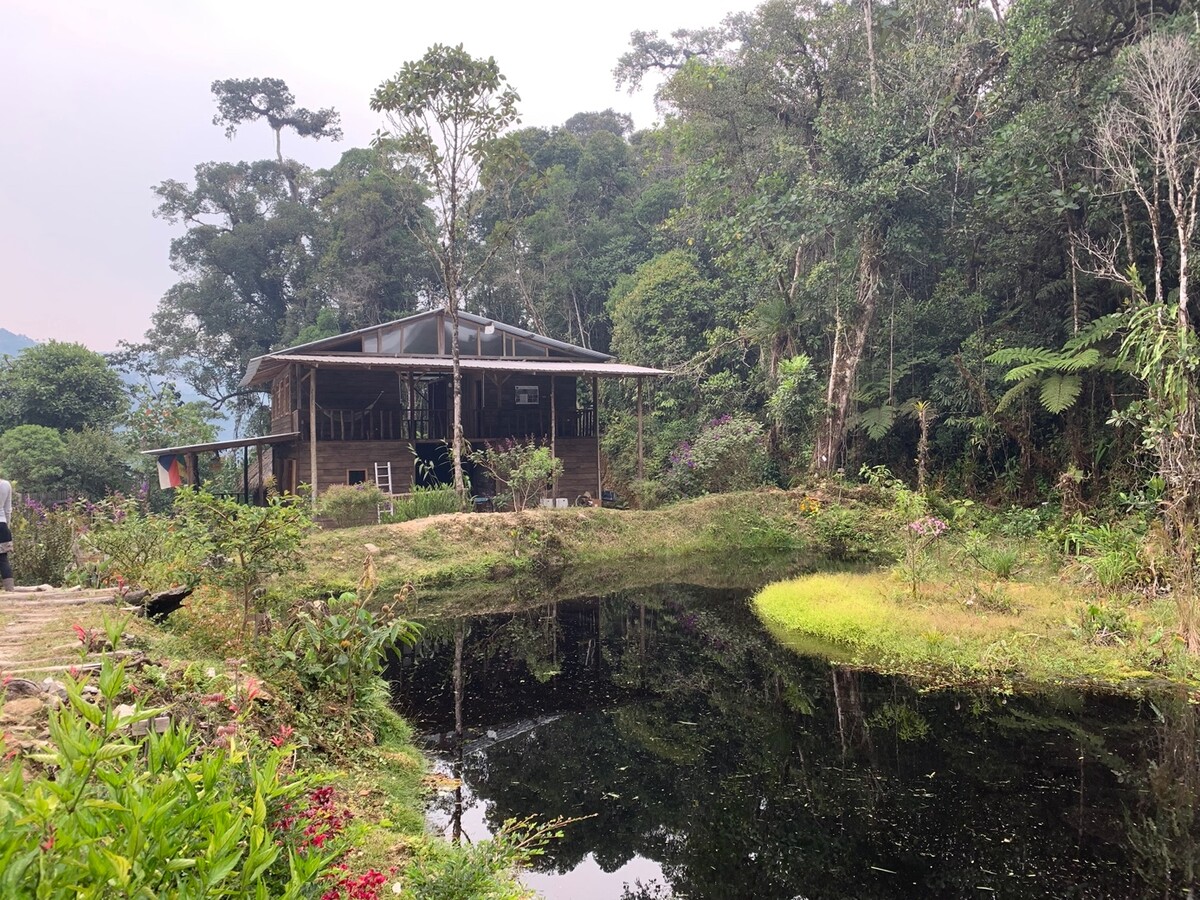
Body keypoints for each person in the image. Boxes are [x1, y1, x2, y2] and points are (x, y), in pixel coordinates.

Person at [0, 473, 11, 591]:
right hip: (2, 525)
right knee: (3, 560)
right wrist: (7, 525)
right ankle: (10, 590)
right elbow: (8, 509)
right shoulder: (6, 485)